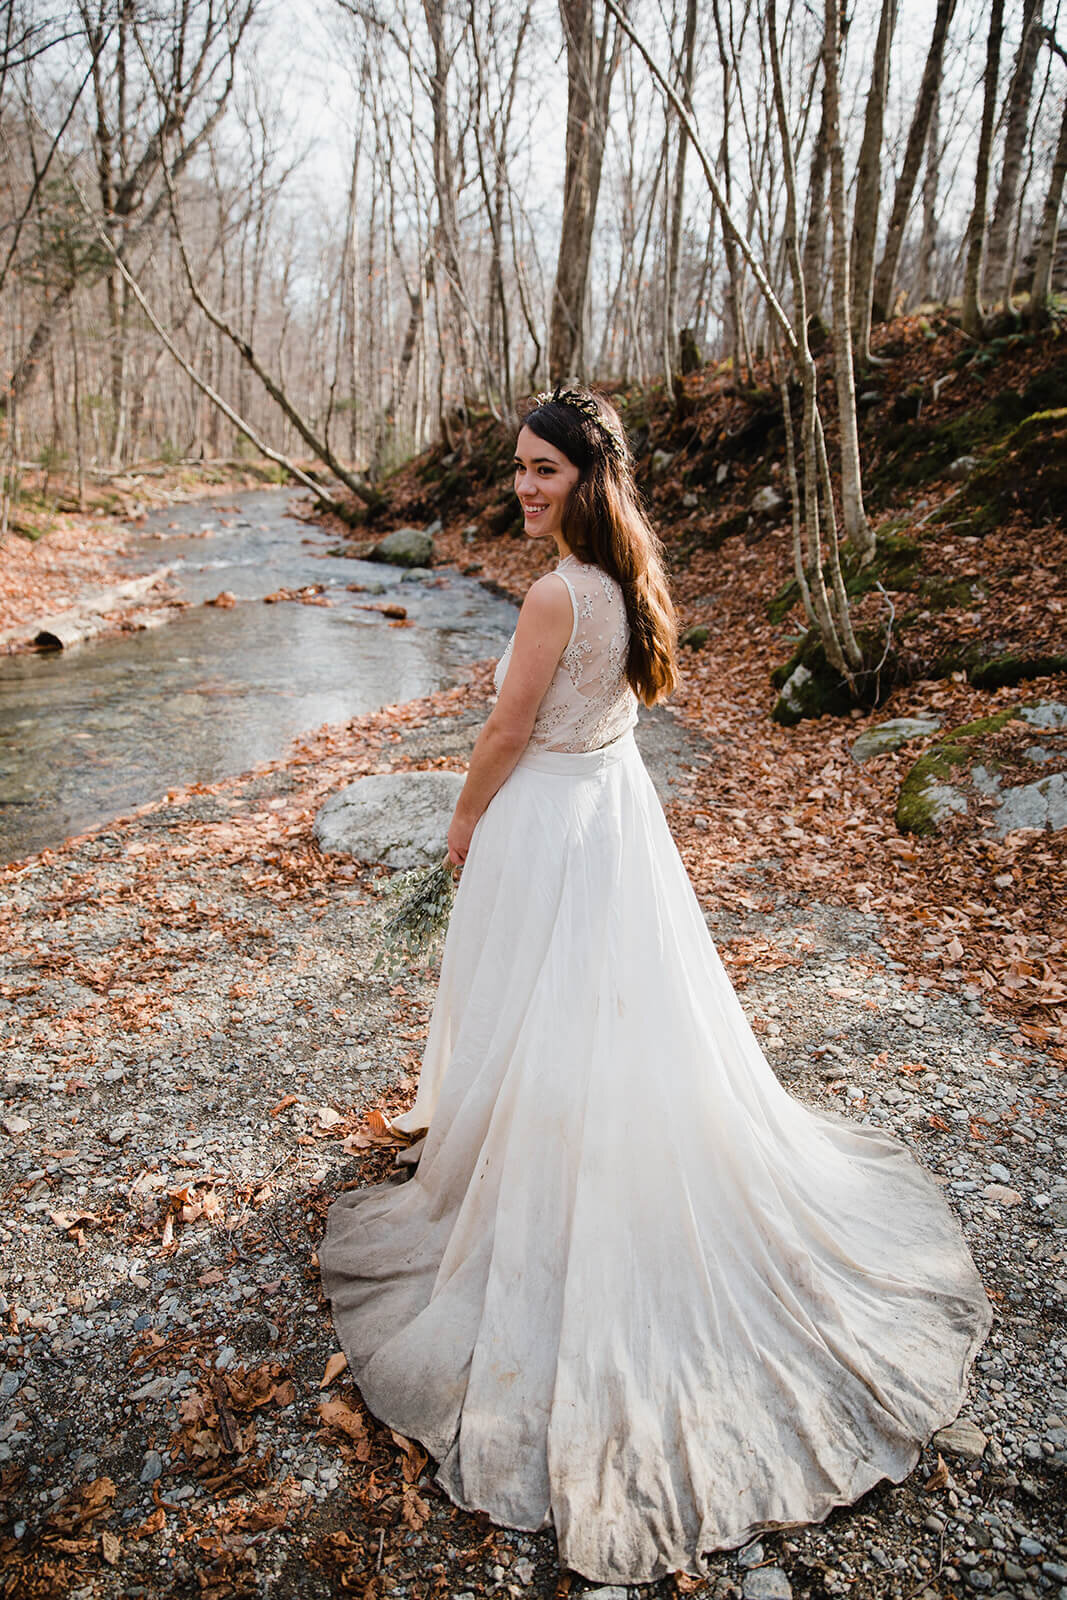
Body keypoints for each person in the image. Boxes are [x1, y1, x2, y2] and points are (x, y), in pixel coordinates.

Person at [319, 387, 991, 1585]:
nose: (524, 488)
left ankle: (539, 1187)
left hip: (547, 822)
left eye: (543, 471)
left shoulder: (553, 593)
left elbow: (506, 731)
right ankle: (575, 1140)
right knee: (599, 1006)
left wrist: (462, 825)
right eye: (518, 470)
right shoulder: (626, 577)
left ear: (587, 475)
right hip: (613, 819)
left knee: (535, 1001)